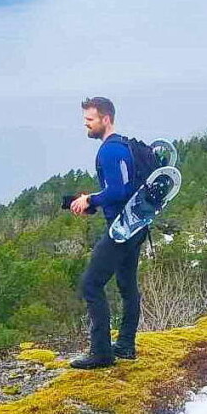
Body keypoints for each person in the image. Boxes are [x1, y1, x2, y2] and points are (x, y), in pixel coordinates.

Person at [68, 96, 147, 369]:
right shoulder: (124, 145)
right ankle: (126, 345)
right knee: (127, 287)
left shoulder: (109, 151)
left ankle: (101, 353)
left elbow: (118, 191)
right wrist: (92, 200)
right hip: (137, 225)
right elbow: (123, 189)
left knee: (91, 285)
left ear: (106, 119)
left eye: (90, 120)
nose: (86, 126)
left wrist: (90, 200)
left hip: (121, 229)